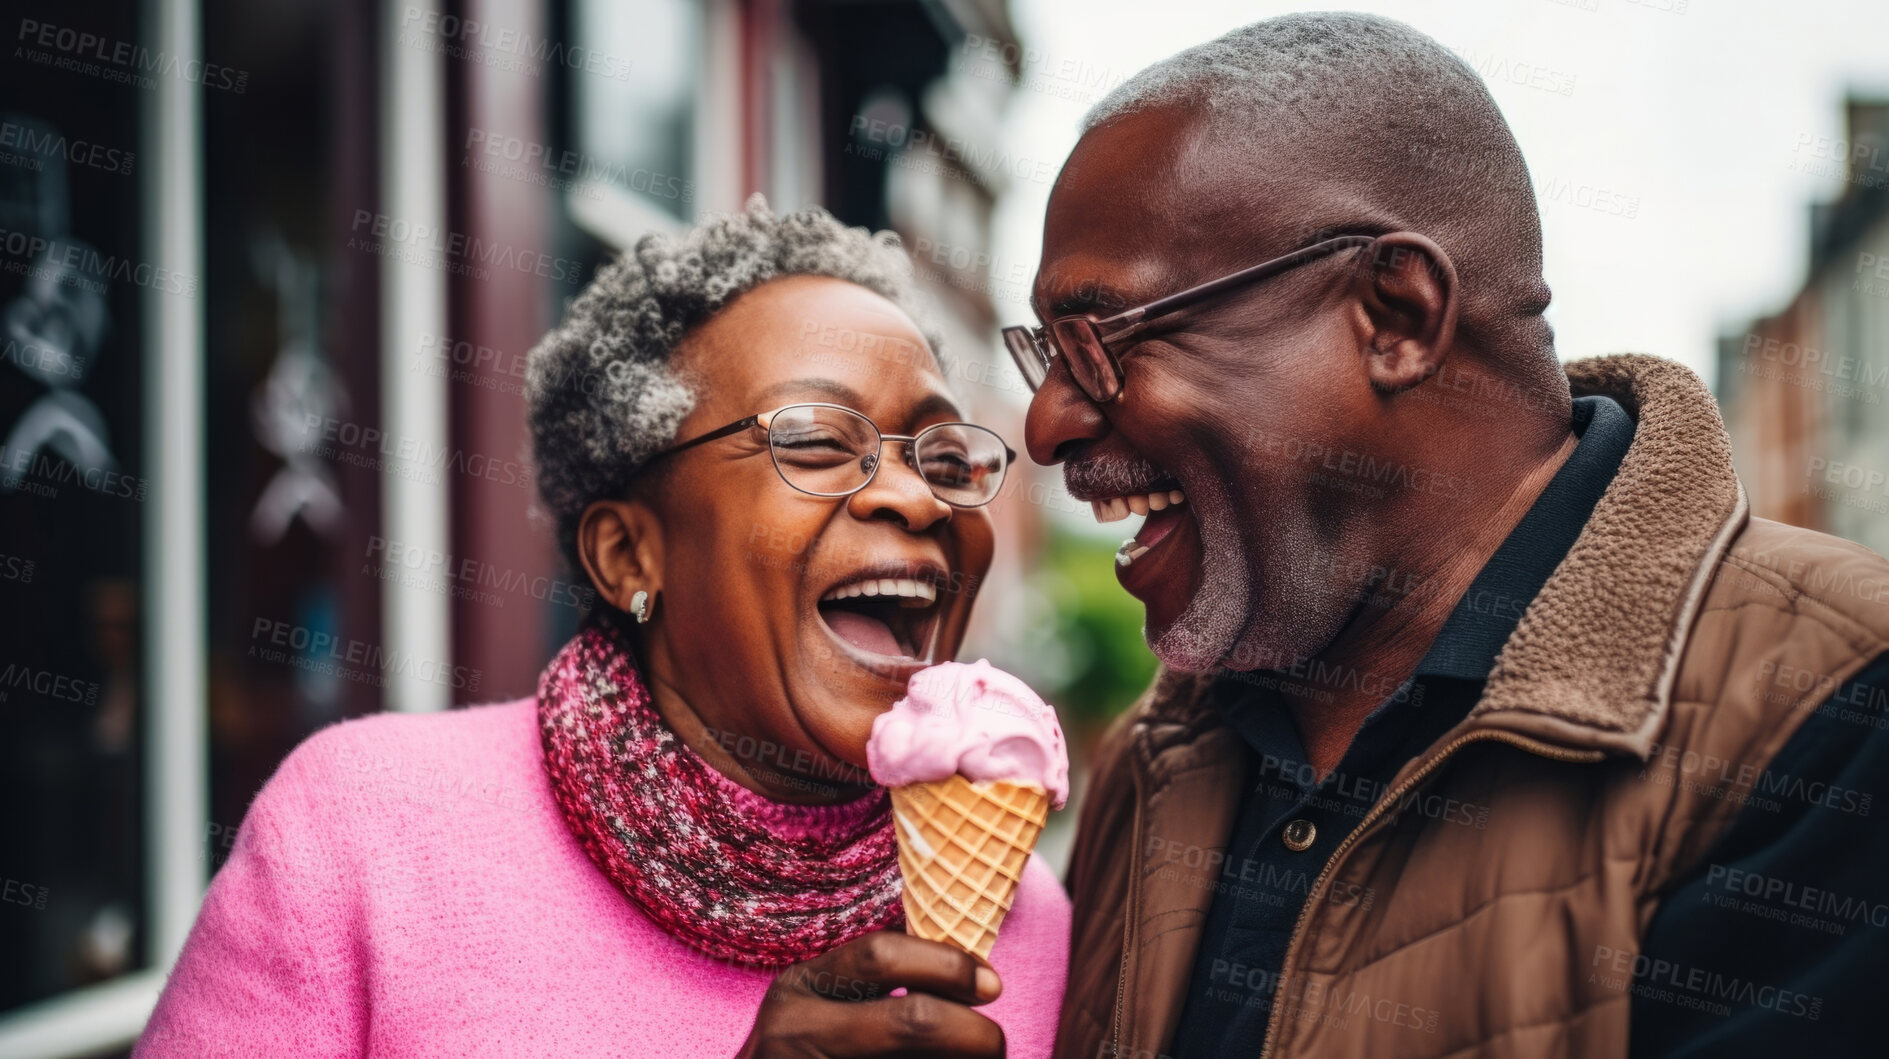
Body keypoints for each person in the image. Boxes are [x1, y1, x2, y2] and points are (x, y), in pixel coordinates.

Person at [1006, 14, 1889, 1059]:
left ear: (1396, 315)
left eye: (1098, 343)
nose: (1046, 425)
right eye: (1041, 355)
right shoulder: (1153, 758)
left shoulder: (1831, 711)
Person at [137, 197, 1067, 1058]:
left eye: (946, 457)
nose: (915, 496)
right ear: (629, 555)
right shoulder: (362, 833)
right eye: (819, 442)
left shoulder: (1037, 919)